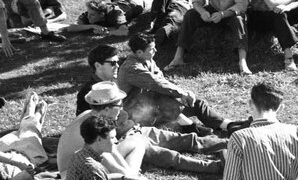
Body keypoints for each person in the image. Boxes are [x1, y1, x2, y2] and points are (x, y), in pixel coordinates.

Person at [59, 81, 224, 180]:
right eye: (119, 105)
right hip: (78, 178)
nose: (122, 109)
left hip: (93, 165)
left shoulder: (95, 117)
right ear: (107, 108)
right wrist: (132, 178)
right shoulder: (93, 129)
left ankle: (225, 144)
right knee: (140, 143)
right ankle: (214, 167)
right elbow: (107, 158)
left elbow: (112, 152)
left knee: (150, 136)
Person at [77, 43, 226, 156]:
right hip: (128, 129)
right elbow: (92, 126)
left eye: (118, 62)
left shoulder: (115, 80)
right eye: (113, 63)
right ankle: (210, 140)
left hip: (143, 115)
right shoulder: (90, 91)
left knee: (196, 104)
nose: (117, 66)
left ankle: (227, 126)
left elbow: (156, 81)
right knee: (175, 142)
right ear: (97, 65)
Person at [117, 34, 248, 135]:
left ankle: (226, 125)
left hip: (155, 106)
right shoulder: (132, 68)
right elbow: (156, 83)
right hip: (138, 113)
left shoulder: (147, 60)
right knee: (163, 98)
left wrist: (182, 94)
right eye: (151, 49)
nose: (155, 50)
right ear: (139, 52)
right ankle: (192, 128)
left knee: (197, 103)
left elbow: (163, 80)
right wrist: (182, 93)